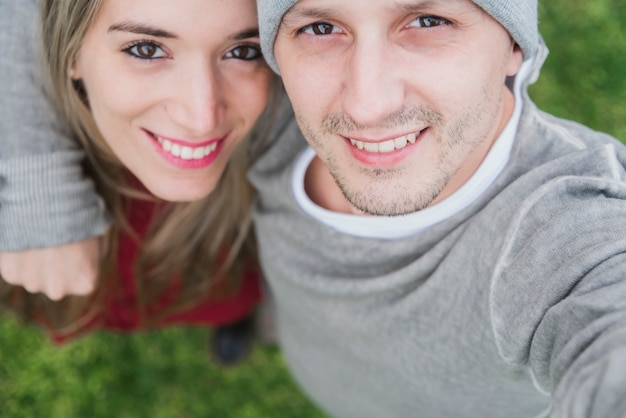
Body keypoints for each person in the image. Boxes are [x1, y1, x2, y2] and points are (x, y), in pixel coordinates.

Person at [2, 0, 626, 417]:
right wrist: (42, 193)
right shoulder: (278, 120)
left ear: (516, 43)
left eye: (429, 19)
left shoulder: (568, 227)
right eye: (320, 27)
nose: (367, 102)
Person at [0, 0, 279, 366]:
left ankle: (233, 321)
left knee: (228, 297)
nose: (201, 117)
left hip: (220, 258)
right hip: (94, 268)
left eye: (244, 51)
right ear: (71, 54)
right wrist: (39, 190)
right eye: (146, 50)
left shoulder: (275, 136)